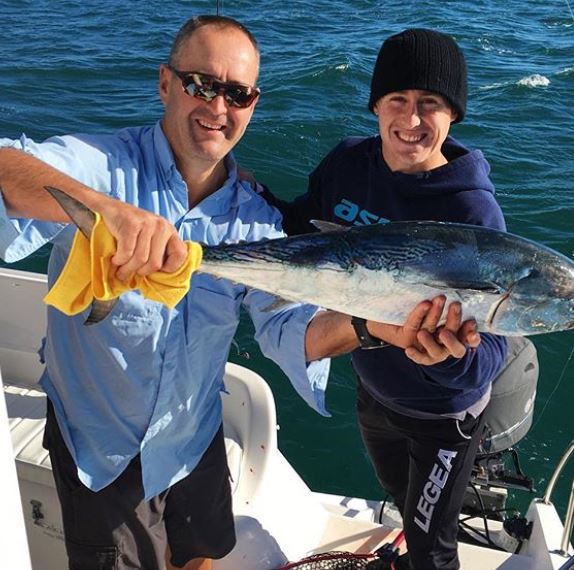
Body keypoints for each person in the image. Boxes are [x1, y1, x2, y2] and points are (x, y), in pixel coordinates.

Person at [0, 17, 479, 570]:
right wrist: (105, 210)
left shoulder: (256, 222)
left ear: (253, 103)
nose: (217, 107)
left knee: (203, 554)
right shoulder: (102, 167)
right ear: (165, 83)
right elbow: (8, 167)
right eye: (200, 84)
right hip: (101, 441)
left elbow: (288, 328)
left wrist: (370, 327)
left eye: (237, 93)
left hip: (191, 431)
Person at [259, 28, 508, 570]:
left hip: (443, 416)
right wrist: (229, 188)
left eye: (431, 104)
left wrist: (451, 356)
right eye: (397, 100)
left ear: (453, 115)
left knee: (431, 549)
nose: (412, 120)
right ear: (376, 105)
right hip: (373, 394)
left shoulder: (471, 213)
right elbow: (298, 229)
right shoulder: (348, 163)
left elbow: (491, 356)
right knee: (400, 501)